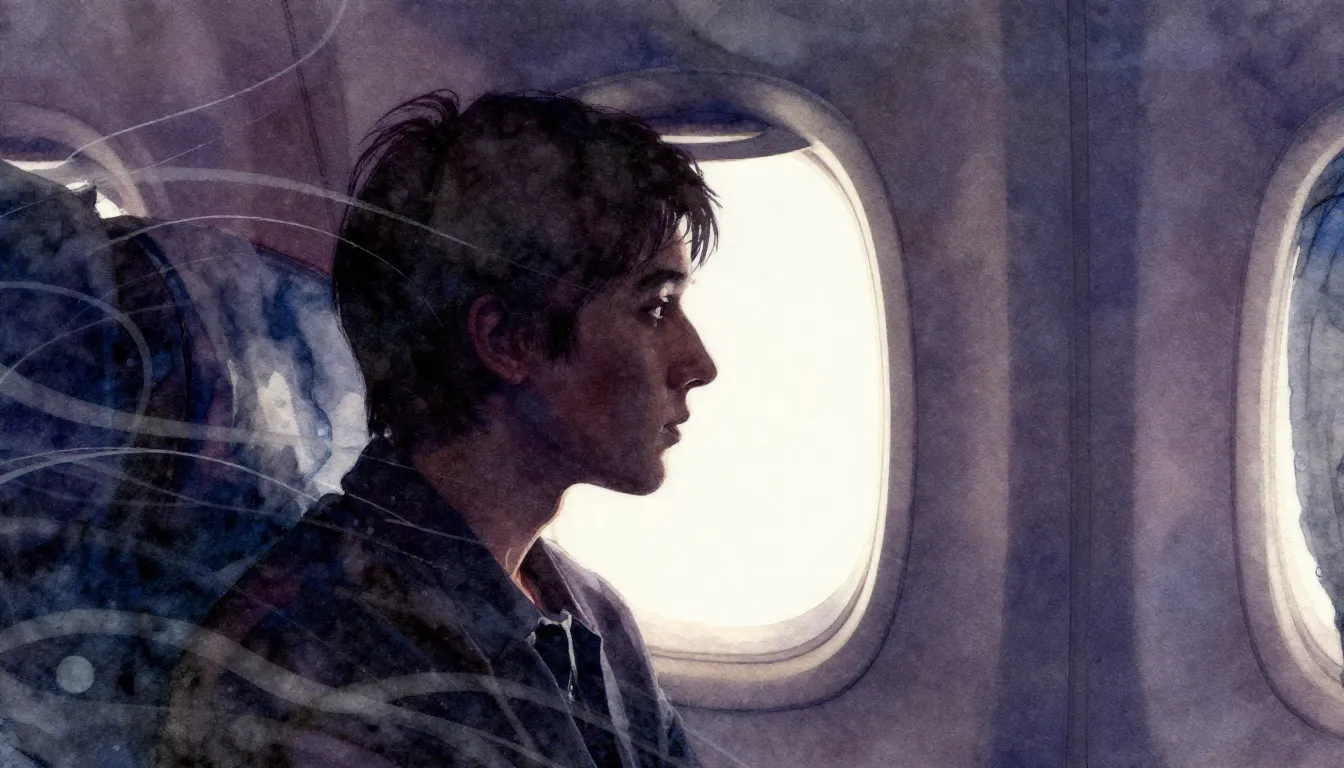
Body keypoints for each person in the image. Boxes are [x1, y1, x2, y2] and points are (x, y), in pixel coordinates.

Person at [155, 90, 719, 768]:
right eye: (655, 308)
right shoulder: (311, 665)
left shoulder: (595, 617)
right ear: (508, 340)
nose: (699, 365)